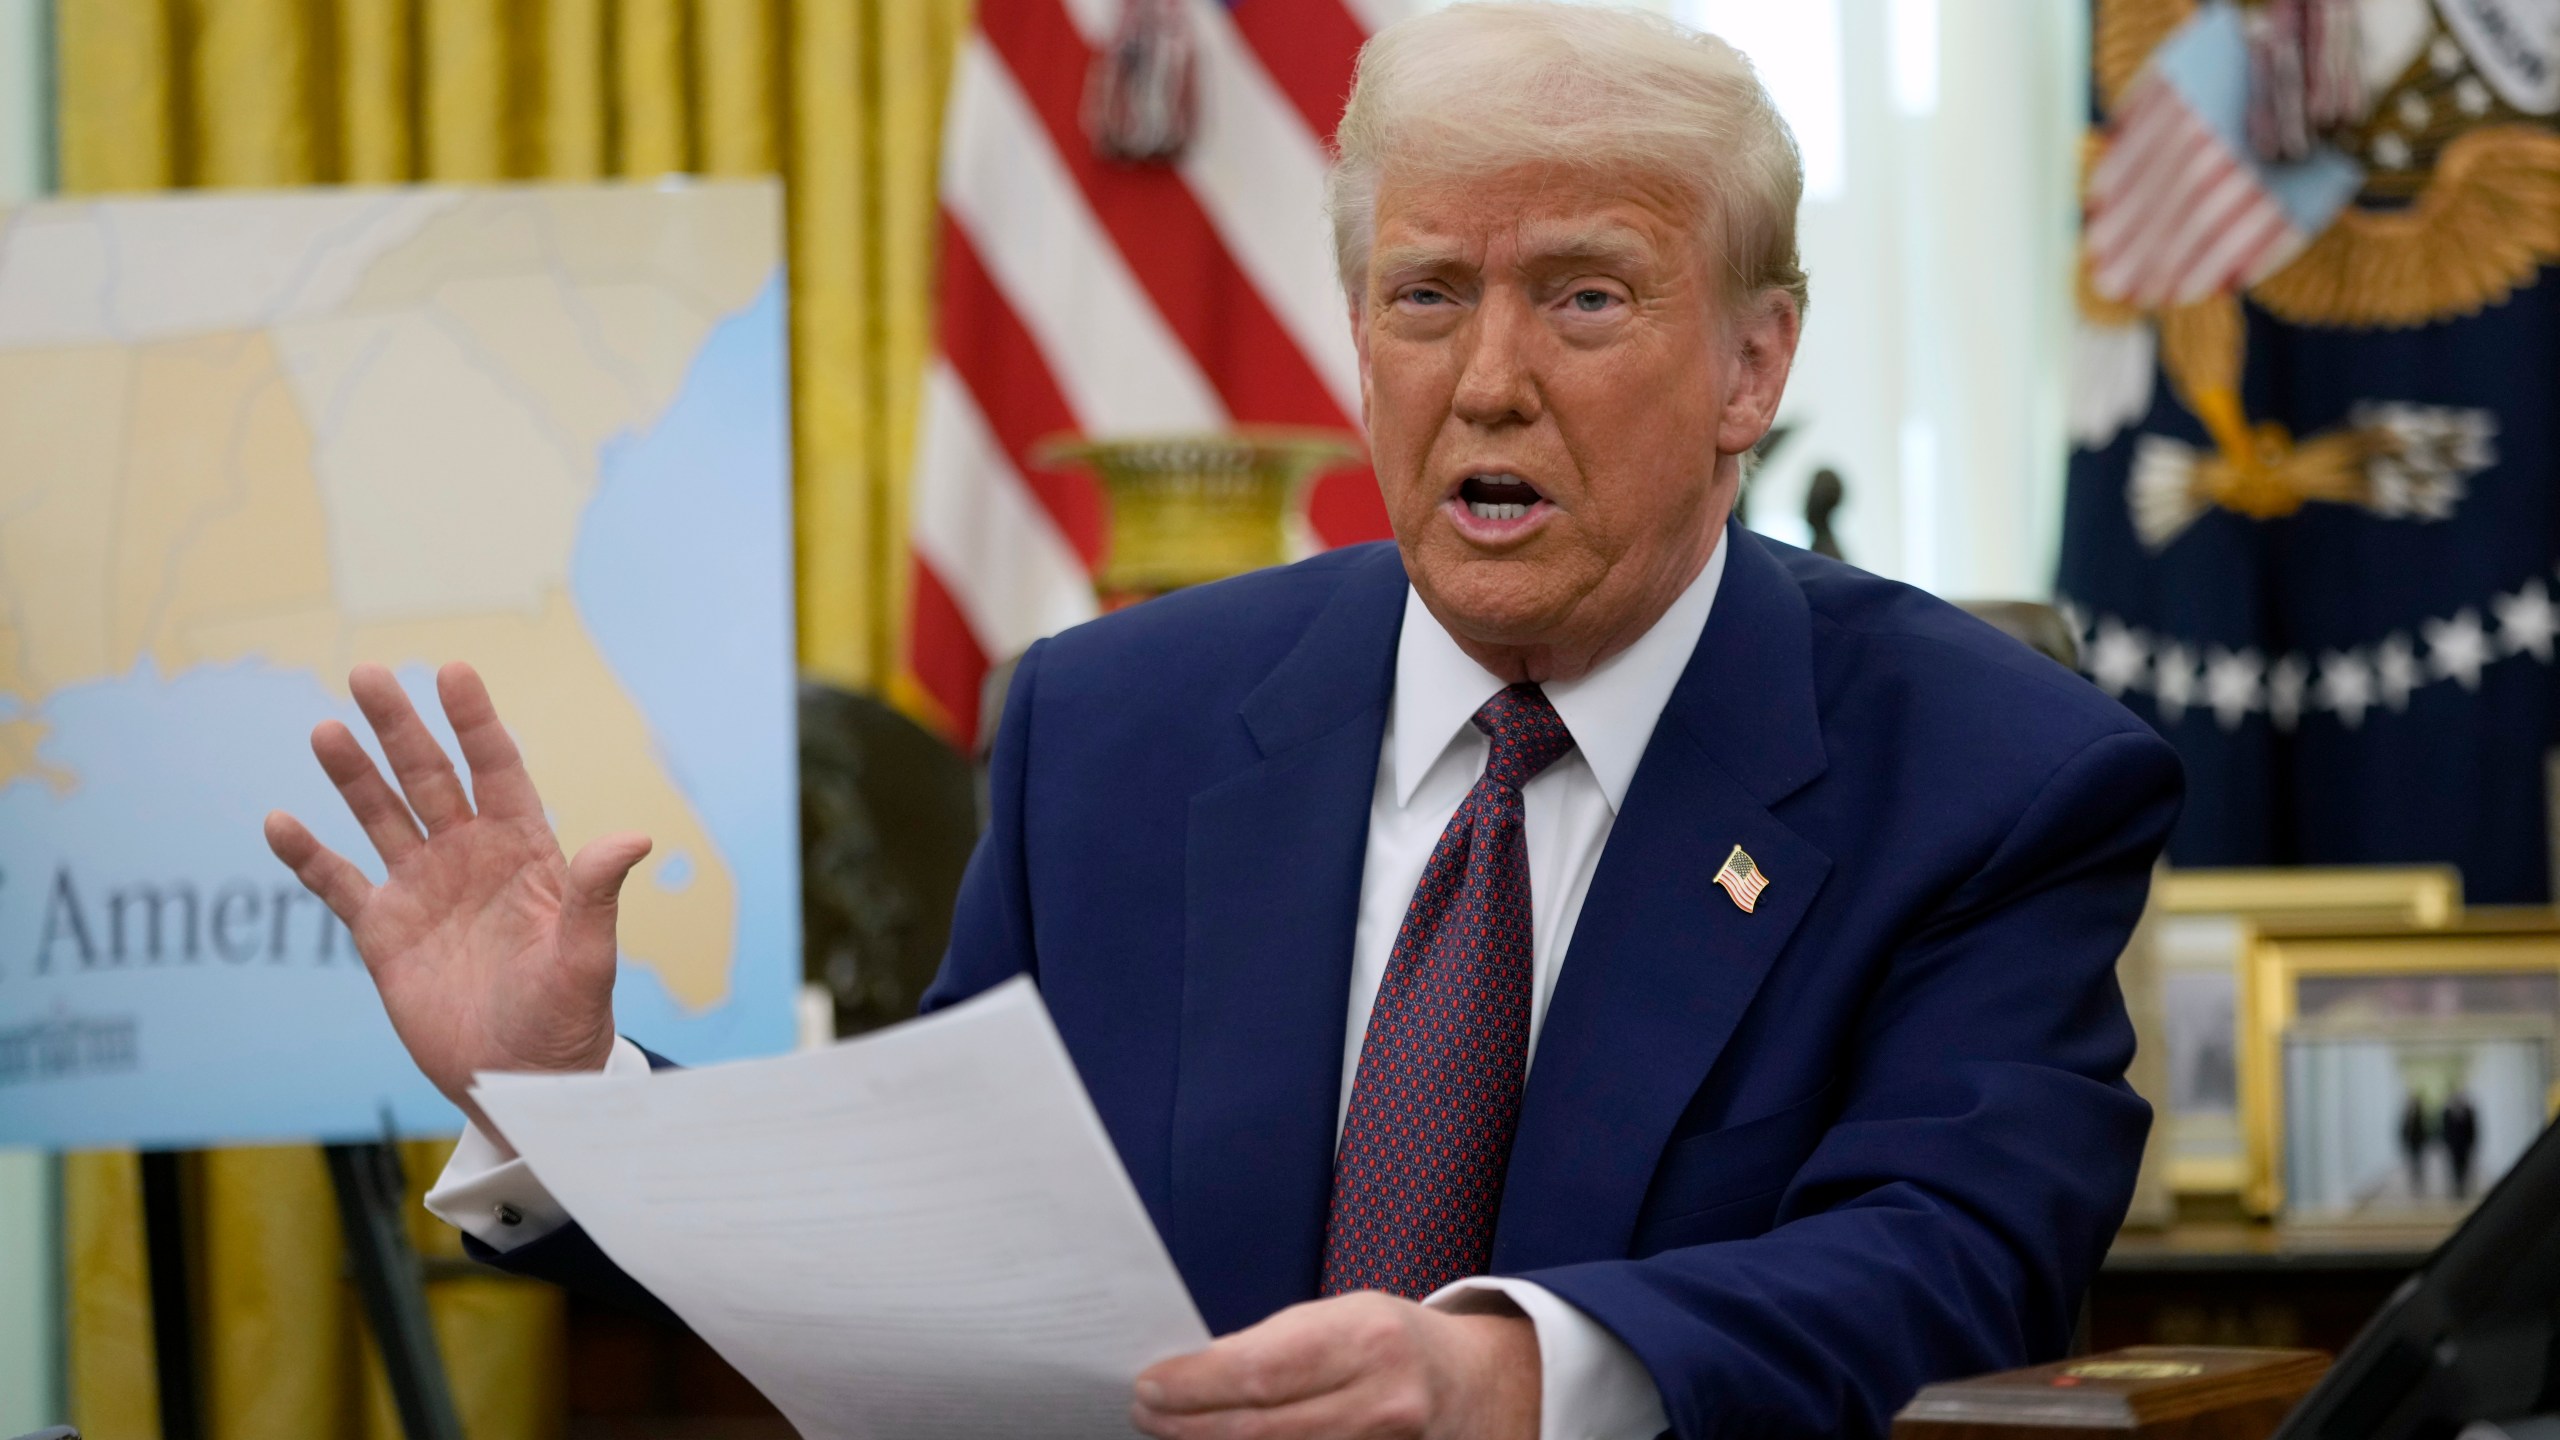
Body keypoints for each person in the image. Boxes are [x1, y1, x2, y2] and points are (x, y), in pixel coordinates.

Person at [263, 5, 2181, 1436]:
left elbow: (1955, 1264)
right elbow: (937, 1239)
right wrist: (567, 1097)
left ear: (1755, 359)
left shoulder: (1996, 775)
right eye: (1426, 295)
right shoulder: (1117, 723)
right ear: (1357, 337)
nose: (1490, 380)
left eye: (1585, 299)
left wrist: (1507, 1378)